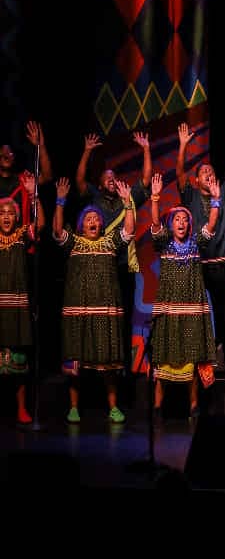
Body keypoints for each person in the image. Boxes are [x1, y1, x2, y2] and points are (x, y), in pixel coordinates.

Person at [52, 176, 135, 424]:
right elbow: (57, 231)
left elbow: (129, 230)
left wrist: (127, 204)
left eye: (96, 219)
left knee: (109, 363)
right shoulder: (74, 242)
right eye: (88, 219)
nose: (93, 222)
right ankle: (74, 407)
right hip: (78, 311)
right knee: (75, 362)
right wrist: (60, 200)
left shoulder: (110, 241)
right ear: (80, 225)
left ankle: (113, 407)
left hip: (105, 312)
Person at [176, 121, 225, 371]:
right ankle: (199, 361)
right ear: (197, 181)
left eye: (211, 171)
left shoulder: (223, 192)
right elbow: (179, 175)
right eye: (204, 173)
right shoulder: (192, 196)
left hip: (221, 265)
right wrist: (184, 146)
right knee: (197, 315)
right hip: (198, 265)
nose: (209, 174)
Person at [75, 131, 152, 370]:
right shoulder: (95, 199)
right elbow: (78, 181)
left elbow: (146, 180)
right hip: (100, 269)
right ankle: (98, 364)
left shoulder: (126, 199)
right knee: (100, 317)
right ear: (99, 184)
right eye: (106, 177)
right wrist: (87, 151)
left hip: (123, 267)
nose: (111, 179)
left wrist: (147, 149)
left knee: (124, 317)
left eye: (113, 176)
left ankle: (123, 370)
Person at [148, 172, 219, 419]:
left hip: (191, 311)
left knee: (192, 358)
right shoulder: (165, 243)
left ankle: (194, 406)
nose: (181, 223)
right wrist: (155, 197)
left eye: (184, 220)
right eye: (177, 219)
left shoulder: (196, 243)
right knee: (164, 359)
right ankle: (158, 407)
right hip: (169, 310)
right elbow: (156, 224)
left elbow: (210, 227)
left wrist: (216, 202)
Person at [0, 174, 43, 424]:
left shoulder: (21, 235)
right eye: (2, 212)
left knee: (19, 361)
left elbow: (41, 224)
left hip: (16, 308)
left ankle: (21, 408)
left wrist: (34, 194)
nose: (6, 216)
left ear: (16, 217)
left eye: (10, 212)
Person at [0, 121, 53, 220]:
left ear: (14, 158)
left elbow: (47, 176)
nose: (6, 155)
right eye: (2, 152)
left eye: (9, 152)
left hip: (21, 234)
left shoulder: (24, 180)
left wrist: (40, 146)